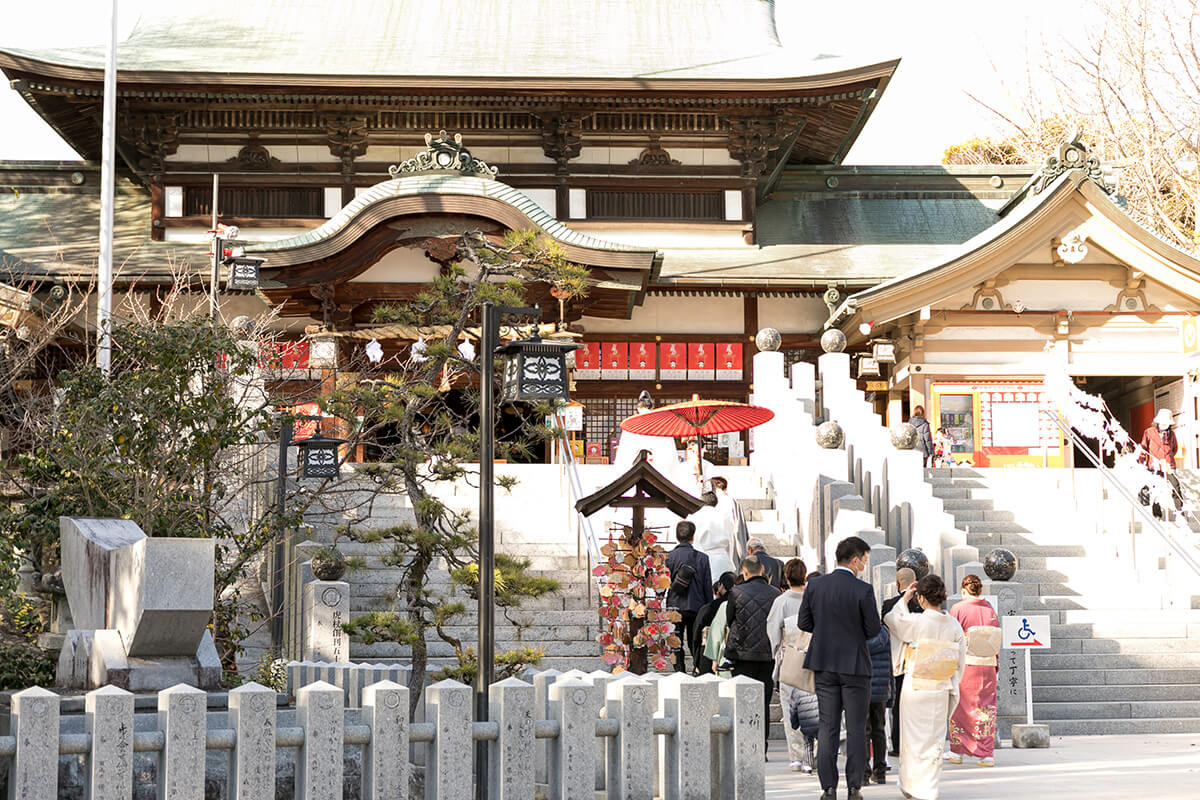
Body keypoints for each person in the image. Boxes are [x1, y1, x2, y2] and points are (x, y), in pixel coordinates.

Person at [797, 536, 881, 800]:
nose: (864, 567)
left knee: (827, 726)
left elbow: (803, 622)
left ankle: (828, 788)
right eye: (864, 561)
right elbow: (873, 630)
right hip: (855, 664)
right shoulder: (863, 590)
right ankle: (854, 787)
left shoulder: (815, 585)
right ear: (855, 560)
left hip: (823, 663)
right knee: (856, 727)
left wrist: (825, 630)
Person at [884, 575, 967, 800]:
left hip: (916, 686)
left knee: (912, 739)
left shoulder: (917, 621)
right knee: (934, 740)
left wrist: (905, 598)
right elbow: (960, 660)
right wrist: (952, 682)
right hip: (940, 687)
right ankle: (928, 788)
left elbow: (891, 618)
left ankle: (911, 784)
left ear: (921, 598)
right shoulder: (954, 625)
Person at [724, 554, 780, 751]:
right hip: (767, 655)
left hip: (742, 655)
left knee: (743, 700)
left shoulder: (736, 592)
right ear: (763, 570)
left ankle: (745, 745)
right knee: (763, 701)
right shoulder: (776, 593)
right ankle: (761, 746)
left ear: (744, 572)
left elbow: (730, 619)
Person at [767, 558, 817, 773]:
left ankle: (796, 755)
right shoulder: (813, 598)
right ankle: (811, 752)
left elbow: (772, 631)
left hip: (790, 658)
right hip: (813, 659)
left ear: (786, 577)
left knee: (790, 708)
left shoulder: (782, 601)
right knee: (814, 707)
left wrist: (777, 652)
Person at [947, 574, 1001, 766]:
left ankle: (958, 751)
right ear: (980, 591)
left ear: (963, 590)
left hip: (966, 665)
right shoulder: (989, 610)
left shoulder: (958, 609)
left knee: (960, 708)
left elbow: (951, 638)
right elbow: (995, 639)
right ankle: (986, 753)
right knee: (985, 708)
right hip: (986, 665)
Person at [882, 567, 924, 757]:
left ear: (898, 583)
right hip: (922, 659)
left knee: (899, 703)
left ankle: (898, 745)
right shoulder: (924, 603)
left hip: (898, 660)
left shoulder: (889, 604)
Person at [665, 520, 712, 674]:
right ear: (693, 535)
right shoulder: (703, 558)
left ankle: (679, 672)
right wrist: (709, 609)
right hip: (697, 606)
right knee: (696, 641)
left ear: (677, 536)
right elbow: (707, 585)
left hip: (674, 606)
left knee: (675, 642)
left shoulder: (669, 557)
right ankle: (698, 669)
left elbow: (663, 584)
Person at [1139, 408, 1184, 514]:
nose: (1164, 425)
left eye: (1167, 423)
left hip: (1168, 466)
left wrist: (1168, 458)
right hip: (1154, 466)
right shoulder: (1149, 432)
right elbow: (1143, 448)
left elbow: (1174, 449)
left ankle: (1181, 513)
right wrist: (1141, 462)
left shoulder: (1171, 435)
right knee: (1155, 489)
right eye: (1162, 423)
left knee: (1175, 487)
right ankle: (1157, 514)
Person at [691, 572, 736, 676]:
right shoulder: (739, 605)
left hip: (707, 653)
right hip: (732, 653)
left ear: (721, 586)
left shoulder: (709, 607)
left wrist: (696, 658)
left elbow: (696, 633)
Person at [865, 620, 893, 785]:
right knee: (879, 730)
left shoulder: (856, 633)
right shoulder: (884, 634)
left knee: (862, 731)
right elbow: (889, 664)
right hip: (882, 688)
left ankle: (863, 772)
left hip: (862, 687)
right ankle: (880, 771)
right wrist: (892, 693)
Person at [690, 492, 737, 579]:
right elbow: (731, 541)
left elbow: (693, 542)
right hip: (723, 558)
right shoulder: (725, 518)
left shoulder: (694, 518)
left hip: (702, 557)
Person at [711, 475, 749, 563]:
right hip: (730, 543)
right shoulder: (732, 501)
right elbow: (738, 527)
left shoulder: (713, 500)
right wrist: (742, 552)